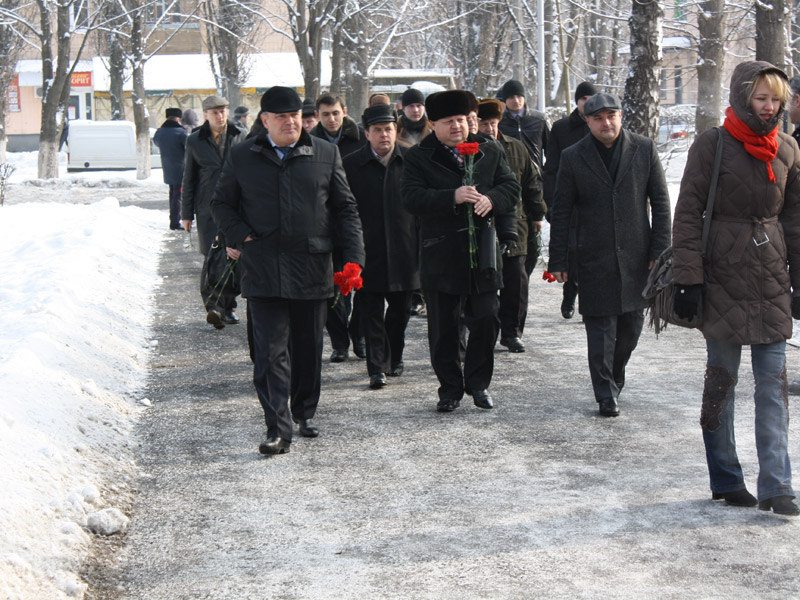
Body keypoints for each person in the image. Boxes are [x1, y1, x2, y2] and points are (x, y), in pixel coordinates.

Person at [672, 61, 800, 515]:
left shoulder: (786, 149)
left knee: (773, 385)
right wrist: (688, 278)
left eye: (776, 100)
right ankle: (726, 477)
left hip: (770, 279)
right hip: (721, 276)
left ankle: (778, 484)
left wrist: (798, 279)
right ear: (743, 96)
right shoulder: (713, 144)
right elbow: (687, 213)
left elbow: (794, 221)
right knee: (721, 384)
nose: (769, 108)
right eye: (761, 98)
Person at [211, 86, 365, 455]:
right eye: (281, 117)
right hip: (263, 267)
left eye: (295, 115)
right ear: (265, 121)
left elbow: (345, 210)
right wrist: (242, 235)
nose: (290, 122)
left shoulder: (325, 154)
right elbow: (221, 203)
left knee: (308, 347)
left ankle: (305, 411)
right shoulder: (242, 155)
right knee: (269, 353)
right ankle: (277, 427)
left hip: (312, 267)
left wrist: (353, 258)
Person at [548, 92, 671, 418]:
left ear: (620, 116)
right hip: (593, 255)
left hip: (636, 256)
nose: (606, 123)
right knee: (600, 330)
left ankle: (615, 375)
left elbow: (660, 203)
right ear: (587, 121)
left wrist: (660, 251)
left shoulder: (643, 149)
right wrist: (558, 259)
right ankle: (605, 394)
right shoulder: (574, 156)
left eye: (611, 116)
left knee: (630, 329)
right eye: (598, 118)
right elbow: (560, 210)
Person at [401, 90, 520, 412]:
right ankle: (450, 388)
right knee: (444, 327)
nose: (458, 127)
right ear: (433, 124)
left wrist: (491, 199)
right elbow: (411, 198)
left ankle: (479, 384)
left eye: (463, 120)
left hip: (482, 252)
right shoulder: (418, 157)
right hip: (441, 253)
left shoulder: (489, 150)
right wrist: (450, 197)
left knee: (486, 317)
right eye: (449, 121)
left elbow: (511, 187)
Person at [343, 104, 419, 389]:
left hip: (405, 250)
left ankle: (395, 355)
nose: (383, 135)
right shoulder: (351, 164)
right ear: (367, 133)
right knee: (370, 312)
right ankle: (376, 367)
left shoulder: (411, 160)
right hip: (367, 251)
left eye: (388, 129)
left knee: (399, 313)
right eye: (377, 130)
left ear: (396, 131)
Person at [477, 98, 546, 353]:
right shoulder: (469, 151)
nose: (490, 129)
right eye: (484, 124)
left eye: (494, 124)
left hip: (516, 224)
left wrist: (537, 214)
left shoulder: (516, 148)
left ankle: (512, 332)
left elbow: (531, 184)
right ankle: (480, 332)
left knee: (516, 282)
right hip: (480, 227)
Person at [181, 95, 247, 329]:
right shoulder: (195, 140)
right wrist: (186, 213)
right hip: (207, 208)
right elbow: (189, 178)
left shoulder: (240, 134)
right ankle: (214, 308)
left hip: (235, 207)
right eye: (215, 112)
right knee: (211, 257)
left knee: (232, 255)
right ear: (205, 114)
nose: (220, 116)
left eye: (223, 111)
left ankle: (227, 307)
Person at [310, 94, 366, 361]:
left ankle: (360, 335)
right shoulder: (310, 142)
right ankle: (339, 341)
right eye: (325, 114)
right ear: (317, 115)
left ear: (344, 111)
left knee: (362, 285)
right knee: (330, 289)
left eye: (335, 113)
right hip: (323, 225)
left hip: (358, 222)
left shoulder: (361, 139)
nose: (331, 119)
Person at [543, 81, 596, 318]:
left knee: (592, 254)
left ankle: (588, 301)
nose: (587, 103)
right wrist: (550, 202)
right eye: (583, 98)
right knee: (573, 251)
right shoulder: (562, 128)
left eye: (590, 98)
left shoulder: (600, 127)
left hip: (595, 202)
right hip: (569, 200)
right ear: (577, 101)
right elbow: (551, 167)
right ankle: (569, 292)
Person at [498, 79, 549, 171]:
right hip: (509, 178)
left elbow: (551, 151)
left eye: (519, 96)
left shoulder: (540, 120)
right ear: (505, 100)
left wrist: (547, 174)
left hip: (536, 178)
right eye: (511, 97)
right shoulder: (499, 122)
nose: (516, 101)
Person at [153, 107, 188, 231]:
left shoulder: (160, 132)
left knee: (173, 193)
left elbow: (156, 142)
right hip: (181, 169)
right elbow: (188, 149)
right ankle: (174, 222)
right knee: (178, 196)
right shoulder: (181, 132)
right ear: (178, 118)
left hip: (167, 168)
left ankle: (173, 219)